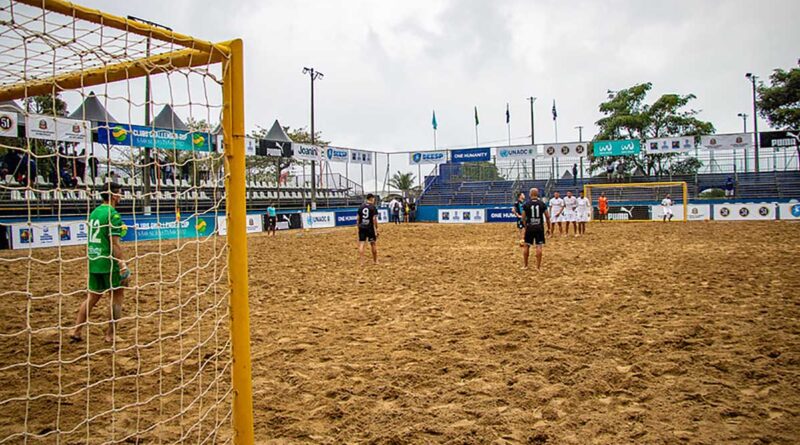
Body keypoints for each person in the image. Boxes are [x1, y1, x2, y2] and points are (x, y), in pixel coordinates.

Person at [72, 182, 128, 344]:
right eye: (120, 193)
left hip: (94, 260)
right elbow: (114, 244)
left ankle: (77, 331)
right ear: (114, 195)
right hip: (108, 263)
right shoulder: (113, 214)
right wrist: (122, 264)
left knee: (92, 298)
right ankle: (110, 335)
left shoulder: (95, 212)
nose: (121, 196)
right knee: (117, 297)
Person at [521, 187, 550, 270]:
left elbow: (523, 218)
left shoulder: (526, 204)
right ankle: (538, 267)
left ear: (530, 194)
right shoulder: (542, 204)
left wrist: (525, 226)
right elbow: (547, 217)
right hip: (539, 227)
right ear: (537, 194)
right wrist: (549, 228)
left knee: (526, 245)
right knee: (539, 246)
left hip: (530, 226)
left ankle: (525, 265)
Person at [357, 193, 379, 265]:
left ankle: (361, 262)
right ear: (371, 199)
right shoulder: (373, 207)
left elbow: (358, 218)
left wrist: (358, 227)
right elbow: (374, 219)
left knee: (362, 243)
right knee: (373, 244)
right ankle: (375, 261)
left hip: (362, 227)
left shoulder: (361, 207)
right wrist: (376, 228)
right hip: (370, 228)